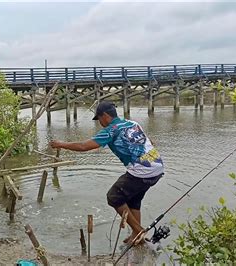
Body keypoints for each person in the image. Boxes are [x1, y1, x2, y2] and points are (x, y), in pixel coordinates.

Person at [50, 101, 164, 244]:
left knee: (113, 197)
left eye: (99, 119)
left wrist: (60, 144)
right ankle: (136, 236)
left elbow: (84, 146)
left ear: (105, 116)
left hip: (142, 172)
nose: (100, 123)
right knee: (133, 200)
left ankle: (139, 231)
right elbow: (150, 142)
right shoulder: (132, 123)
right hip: (157, 167)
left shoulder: (111, 130)